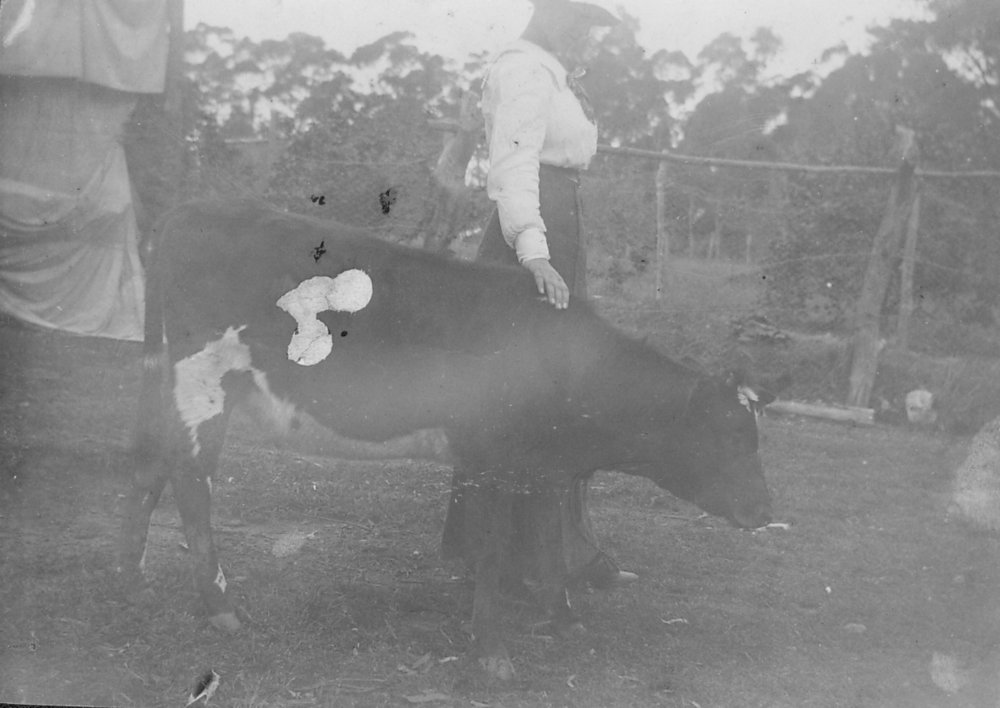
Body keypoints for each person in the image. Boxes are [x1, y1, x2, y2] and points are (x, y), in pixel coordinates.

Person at [441, 0, 637, 594]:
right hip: (530, 238)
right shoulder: (524, 70)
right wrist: (534, 251)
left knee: (557, 396)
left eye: (592, 24)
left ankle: (561, 553)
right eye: (577, 19)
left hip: (558, 226)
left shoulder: (549, 71)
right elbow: (514, 165)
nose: (584, 35)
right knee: (522, 402)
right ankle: (511, 558)